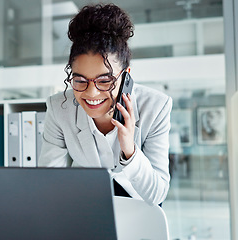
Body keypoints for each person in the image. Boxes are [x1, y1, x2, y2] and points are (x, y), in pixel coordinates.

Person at [38, 3, 172, 205]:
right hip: (83, 205)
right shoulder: (59, 108)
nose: (91, 93)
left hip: (140, 206)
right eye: (80, 80)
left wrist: (130, 150)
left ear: (126, 77)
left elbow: (157, 194)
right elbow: (49, 182)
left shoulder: (155, 107)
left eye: (105, 80)